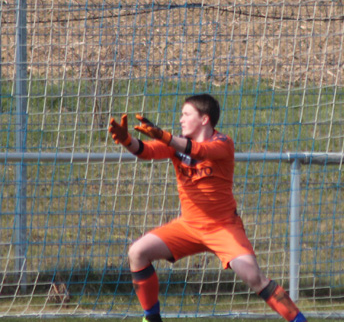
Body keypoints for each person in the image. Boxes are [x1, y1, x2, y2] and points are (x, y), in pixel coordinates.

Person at [108, 94, 307, 322]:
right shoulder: (176, 144)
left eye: (186, 114)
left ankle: (300, 320)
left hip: (223, 228)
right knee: (137, 252)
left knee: (254, 277)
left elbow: (199, 151)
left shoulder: (223, 143)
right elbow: (146, 151)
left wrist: (166, 137)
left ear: (204, 119)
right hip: (188, 227)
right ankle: (151, 319)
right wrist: (127, 141)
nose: (181, 119)